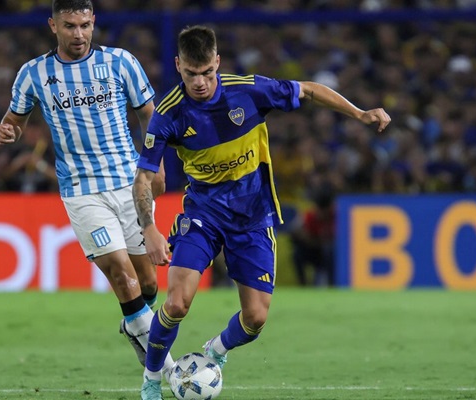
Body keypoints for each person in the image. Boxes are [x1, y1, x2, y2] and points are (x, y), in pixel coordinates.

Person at [132, 25, 391, 399]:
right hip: (203, 213)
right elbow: (143, 178)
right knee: (175, 302)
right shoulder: (170, 113)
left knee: (254, 319)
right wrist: (149, 228)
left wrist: (360, 113)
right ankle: (152, 381)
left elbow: (311, 89)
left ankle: (215, 351)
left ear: (218, 63)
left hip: (253, 216)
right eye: (191, 74)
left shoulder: (248, 90)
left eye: (207, 72)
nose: (201, 82)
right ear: (178, 66)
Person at [0, 0, 173, 372]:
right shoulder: (33, 73)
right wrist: (7, 130)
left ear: (94, 23)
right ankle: (169, 370)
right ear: (53, 26)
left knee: (148, 284)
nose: (79, 34)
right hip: (81, 190)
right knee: (122, 276)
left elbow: (149, 115)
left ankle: (133, 325)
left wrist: (156, 166)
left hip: (129, 183)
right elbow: (15, 120)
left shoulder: (120, 62)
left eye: (85, 25)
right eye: (70, 26)